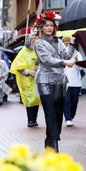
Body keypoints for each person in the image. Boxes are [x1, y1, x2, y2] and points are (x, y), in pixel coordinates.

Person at [33, 11, 75, 152]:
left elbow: (67, 55)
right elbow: (47, 60)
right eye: (47, 25)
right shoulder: (39, 43)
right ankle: (55, 146)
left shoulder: (58, 41)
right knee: (50, 112)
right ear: (41, 27)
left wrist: (73, 44)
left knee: (58, 113)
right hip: (45, 81)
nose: (49, 28)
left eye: (51, 25)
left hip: (60, 81)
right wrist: (64, 62)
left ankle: (49, 141)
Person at [9, 37, 41, 127]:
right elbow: (17, 67)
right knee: (29, 99)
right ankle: (30, 120)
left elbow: (41, 62)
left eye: (35, 41)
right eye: (32, 41)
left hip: (35, 79)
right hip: (26, 80)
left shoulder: (37, 51)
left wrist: (38, 67)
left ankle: (35, 118)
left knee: (36, 99)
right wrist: (28, 72)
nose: (34, 43)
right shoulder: (23, 52)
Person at [63, 35, 83, 127]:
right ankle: (68, 118)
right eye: (65, 41)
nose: (66, 43)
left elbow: (81, 67)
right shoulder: (62, 53)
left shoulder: (77, 53)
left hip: (76, 82)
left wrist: (77, 63)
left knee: (74, 101)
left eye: (68, 41)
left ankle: (71, 116)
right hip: (65, 82)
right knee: (66, 101)